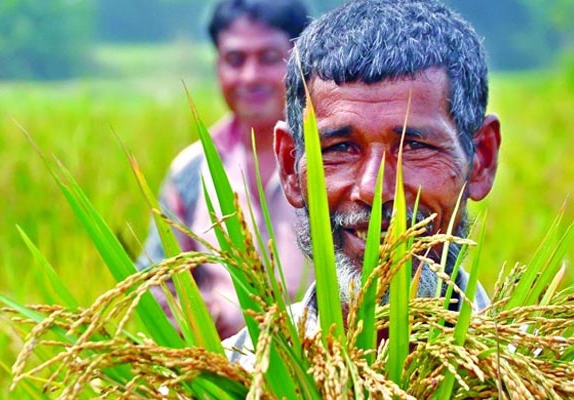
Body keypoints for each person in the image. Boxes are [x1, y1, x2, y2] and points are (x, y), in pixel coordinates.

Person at [224, 0, 501, 366]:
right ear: (291, 168)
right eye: (340, 148)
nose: (372, 189)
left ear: (481, 160)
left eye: (413, 146)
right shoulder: (231, 380)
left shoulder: (563, 385)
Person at [136, 0, 311, 338]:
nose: (250, 76)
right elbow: (155, 281)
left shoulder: (335, 160)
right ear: (217, 65)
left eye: (270, 58)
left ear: (301, 62)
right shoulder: (192, 169)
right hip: (224, 377)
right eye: (235, 60)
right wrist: (198, 314)